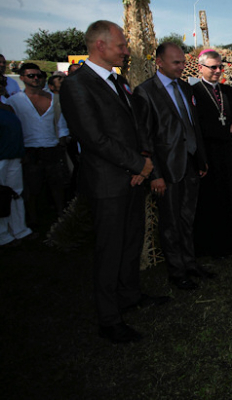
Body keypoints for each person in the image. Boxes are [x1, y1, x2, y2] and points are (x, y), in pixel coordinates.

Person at [60, 20, 165, 344]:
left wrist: (143, 163)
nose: (126, 49)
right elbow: (92, 137)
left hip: (133, 178)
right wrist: (139, 163)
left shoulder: (118, 82)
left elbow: (135, 126)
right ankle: (109, 318)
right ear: (100, 46)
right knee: (109, 250)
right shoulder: (77, 85)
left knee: (131, 241)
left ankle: (130, 295)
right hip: (107, 184)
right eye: (121, 44)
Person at [133, 42, 210, 291]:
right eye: (176, 62)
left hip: (190, 165)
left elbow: (193, 126)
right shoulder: (145, 92)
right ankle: (177, 272)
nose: (181, 66)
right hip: (166, 170)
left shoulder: (186, 88)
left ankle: (190, 264)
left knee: (188, 218)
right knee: (170, 223)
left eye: (183, 61)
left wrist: (201, 159)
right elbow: (144, 138)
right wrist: (154, 174)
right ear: (159, 62)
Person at [190, 49, 232, 257]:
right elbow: (197, 126)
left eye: (220, 67)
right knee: (215, 199)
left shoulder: (228, 91)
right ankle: (219, 245)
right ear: (201, 68)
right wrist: (227, 129)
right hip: (211, 155)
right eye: (213, 67)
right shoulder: (194, 92)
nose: (218, 71)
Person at [8, 63, 70, 228]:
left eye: (39, 75)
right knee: (31, 189)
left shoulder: (54, 98)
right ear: (22, 78)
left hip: (52, 147)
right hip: (29, 150)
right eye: (31, 75)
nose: (36, 78)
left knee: (58, 186)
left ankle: (61, 216)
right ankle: (33, 221)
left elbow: (60, 123)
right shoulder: (14, 101)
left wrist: (62, 141)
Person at [0, 101, 34, 247]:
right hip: (1, 159)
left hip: (13, 156)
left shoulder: (6, 107)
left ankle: (20, 230)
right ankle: (3, 235)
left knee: (15, 193)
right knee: (1, 197)